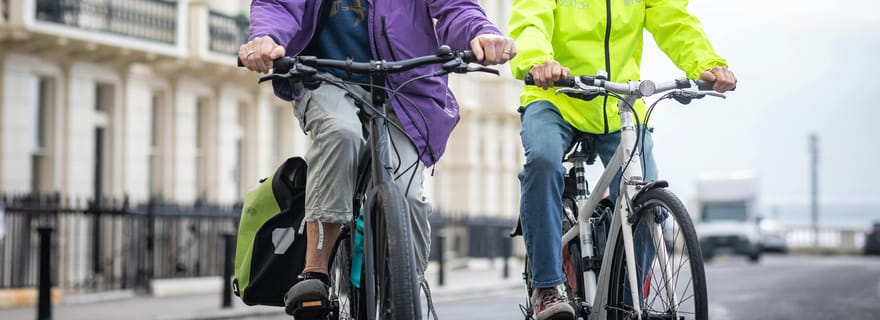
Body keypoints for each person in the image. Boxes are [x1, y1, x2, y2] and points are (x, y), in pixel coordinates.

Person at [239, 0, 515, 318]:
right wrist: (267, 38)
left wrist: (482, 32)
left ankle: (405, 295)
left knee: (408, 194)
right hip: (325, 76)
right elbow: (280, 4)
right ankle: (315, 271)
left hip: (404, 85)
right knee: (340, 132)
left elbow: (455, 7)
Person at [507, 1, 736, 319]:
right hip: (555, 95)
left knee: (644, 195)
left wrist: (706, 62)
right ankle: (547, 287)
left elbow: (674, 19)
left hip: (619, 103)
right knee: (543, 162)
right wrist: (537, 61)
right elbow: (531, 19)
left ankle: (626, 304)